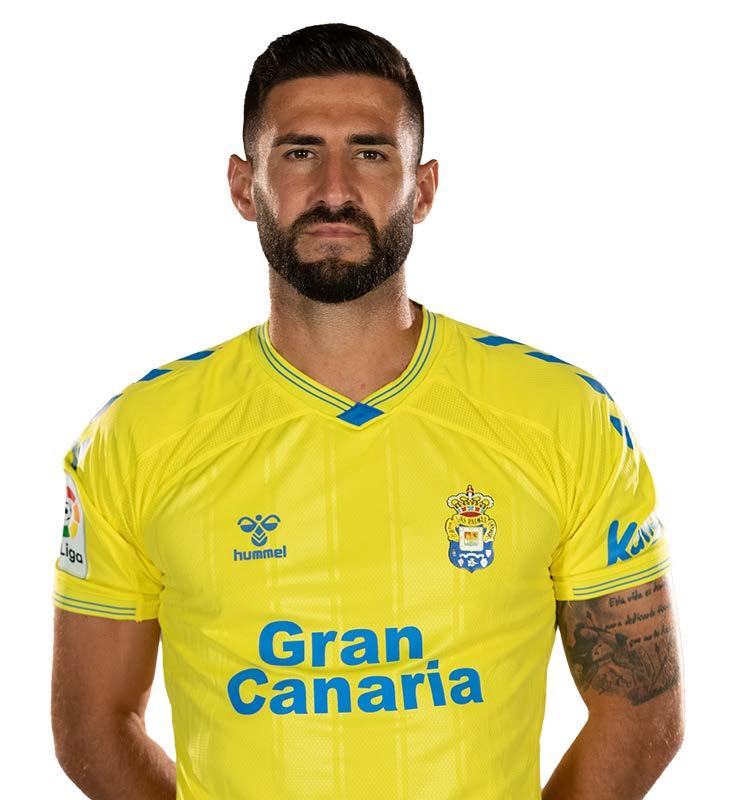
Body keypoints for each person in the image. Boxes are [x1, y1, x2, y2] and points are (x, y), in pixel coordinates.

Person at [51, 22, 685, 800]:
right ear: (244, 186)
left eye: (371, 153)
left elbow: (642, 708)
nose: (335, 190)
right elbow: (92, 724)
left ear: (424, 187)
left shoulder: (564, 418)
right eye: (299, 152)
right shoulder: (138, 436)